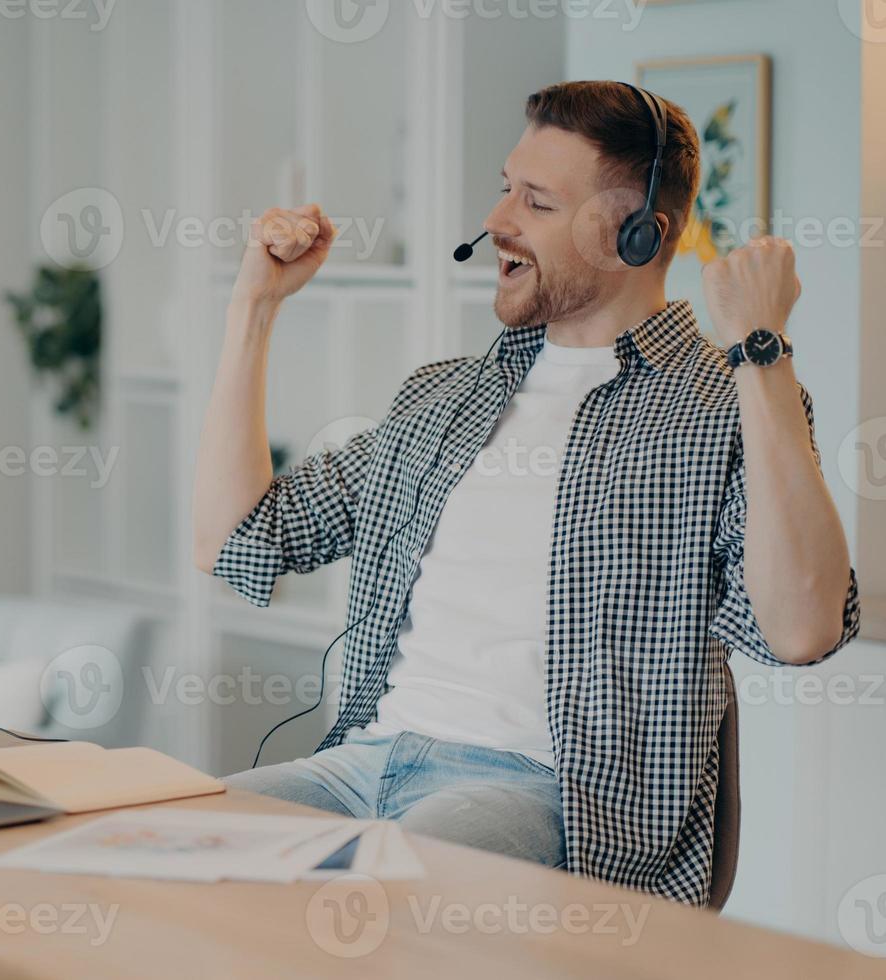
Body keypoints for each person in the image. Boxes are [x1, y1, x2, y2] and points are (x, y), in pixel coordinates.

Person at [192, 80, 859, 906]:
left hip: (538, 793)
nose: (499, 220)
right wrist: (253, 307)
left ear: (636, 231)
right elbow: (235, 540)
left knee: (375, 900)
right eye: (507, 188)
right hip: (359, 764)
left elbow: (801, 628)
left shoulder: (722, 407)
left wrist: (762, 349)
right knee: (149, 857)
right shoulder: (443, 400)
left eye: (535, 201)